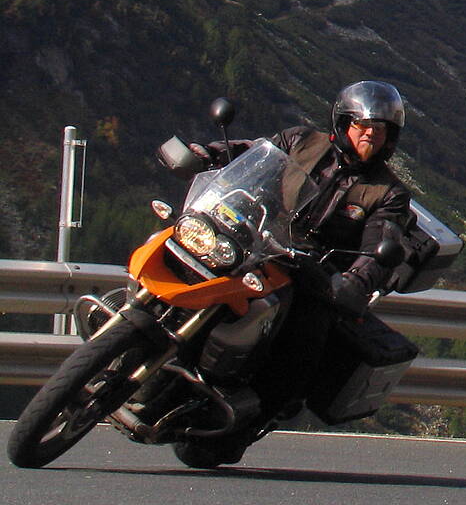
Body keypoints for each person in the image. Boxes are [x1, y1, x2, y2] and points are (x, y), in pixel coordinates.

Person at [169, 80, 415, 467]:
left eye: (380, 129)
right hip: (254, 243)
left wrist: (353, 280)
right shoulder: (301, 141)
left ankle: (251, 418)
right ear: (343, 122)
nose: (370, 134)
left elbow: (380, 246)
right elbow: (248, 155)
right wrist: (206, 154)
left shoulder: (388, 193)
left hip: (311, 275)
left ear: (390, 137)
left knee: (304, 341)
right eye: (362, 125)